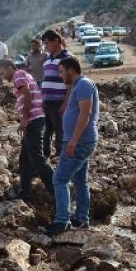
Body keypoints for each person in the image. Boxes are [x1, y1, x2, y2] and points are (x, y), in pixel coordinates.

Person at [45, 56, 99, 236]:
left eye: (61, 72)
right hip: (80, 141)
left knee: (59, 179)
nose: (61, 76)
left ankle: (62, 221)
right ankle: (81, 219)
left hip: (80, 141)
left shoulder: (83, 84)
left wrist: (74, 140)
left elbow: (86, 113)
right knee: (80, 181)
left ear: (70, 70)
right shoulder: (78, 85)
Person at [0, 62, 53, 202]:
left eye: (2, 72)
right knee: (24, 160)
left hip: (33, 121)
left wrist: (24, 120)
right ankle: (26, 193)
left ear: (10, 68)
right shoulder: (23, 75)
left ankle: (58, 191)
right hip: (33, 121)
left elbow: (28, 95)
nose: (2, 76)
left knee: (37, 160)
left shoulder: (18, 75)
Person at [40, 29, 73, 159]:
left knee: (61, 131)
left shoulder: (67, 58)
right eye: (44, 43)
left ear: (57, 41)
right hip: (47, 102)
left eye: (47, 43)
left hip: (59, 102)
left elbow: (70, 83)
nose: (45, 46)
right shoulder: (48, 60)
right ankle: (45, 157)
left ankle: (61, 157)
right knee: (46, 132)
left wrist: (66, 103)